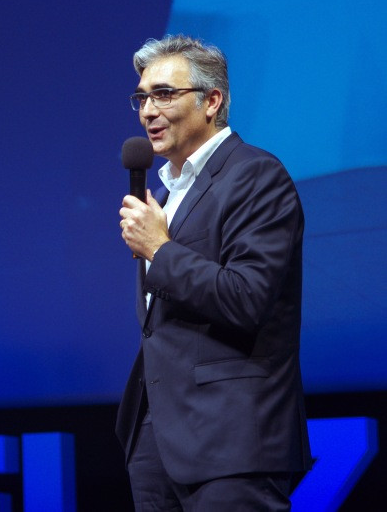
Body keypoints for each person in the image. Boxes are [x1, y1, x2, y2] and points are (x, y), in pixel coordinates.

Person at [117, 35, 312, 510]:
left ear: (212, 101)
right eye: (141, 97)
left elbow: (247, 297)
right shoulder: (169, 193)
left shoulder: (255, 176)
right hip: (160, 439)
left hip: (230, 440)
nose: (147, 110)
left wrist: (159, 250)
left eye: (164, 94)